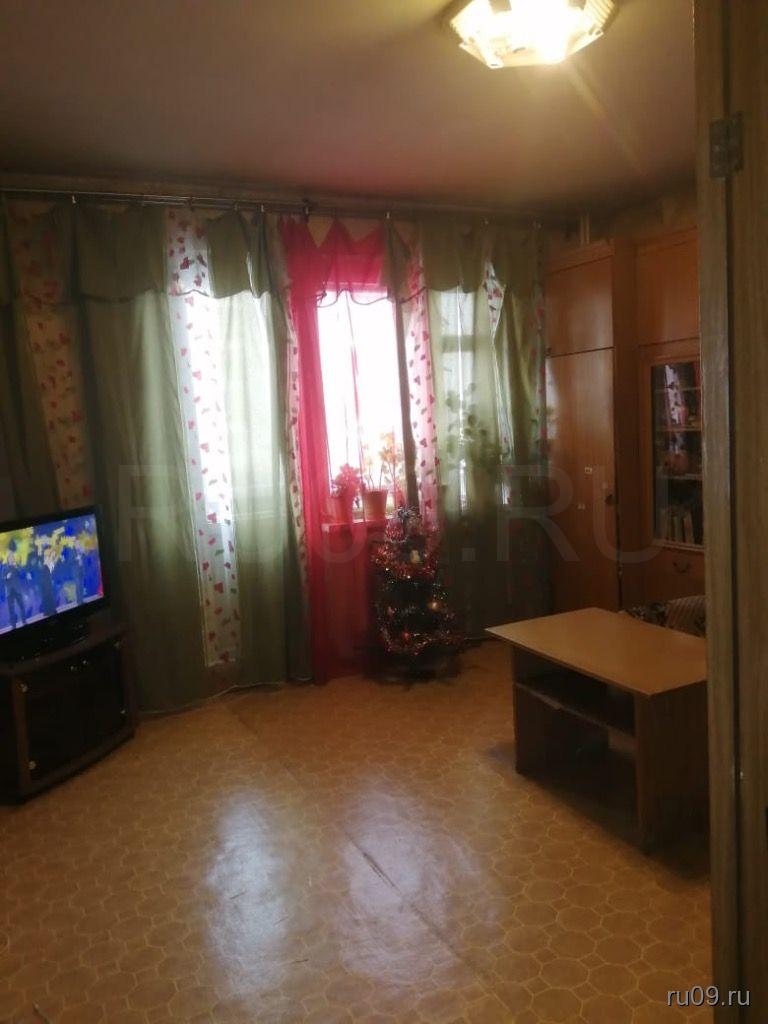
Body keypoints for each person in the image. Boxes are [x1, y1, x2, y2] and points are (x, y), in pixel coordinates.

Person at [1, 552, 27, 629]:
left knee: (22, 606)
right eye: (10, 558)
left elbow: (23, 575)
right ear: (8, 559)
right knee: (11, 610)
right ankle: (13, 626)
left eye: (13, 557)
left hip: (17, 590)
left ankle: (24, 622)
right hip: (9, 592)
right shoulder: (4, 568)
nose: (12, 559)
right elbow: (2, 580)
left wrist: (17, 567)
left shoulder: (17, 566)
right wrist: (6, 577)